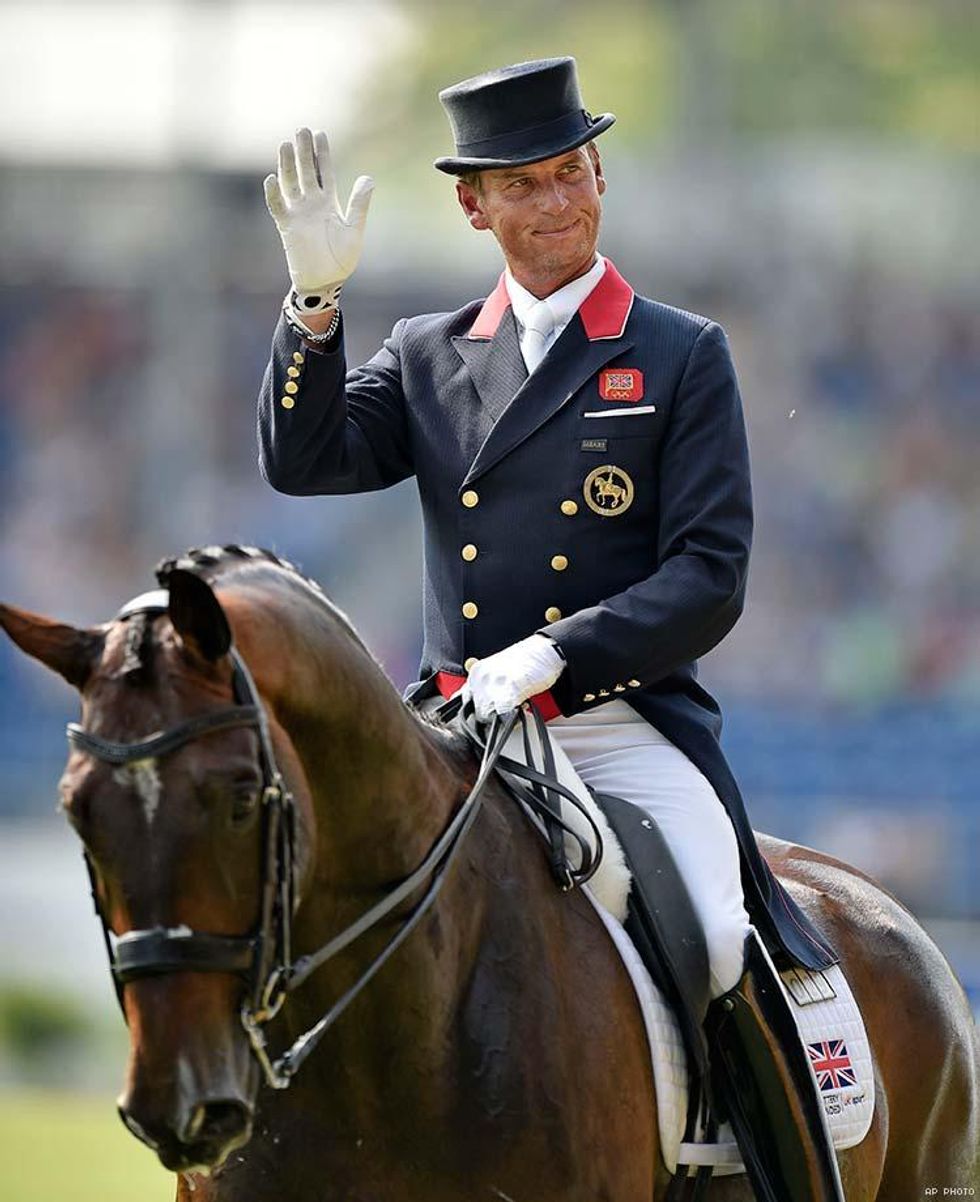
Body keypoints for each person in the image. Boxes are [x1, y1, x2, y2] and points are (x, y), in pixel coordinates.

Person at [258, 56, 844, 1201]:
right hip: (459, 728)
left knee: (721, 937)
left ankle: (767, 1173)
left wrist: (557, 652)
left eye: (571, 173)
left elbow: (710, 577)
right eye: (522, 186)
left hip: (617, 720)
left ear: (600, 176)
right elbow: (305, 460)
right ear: (474, 206)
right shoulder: (427, 352)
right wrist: (314, 308)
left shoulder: (679, 353)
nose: (557, 203)